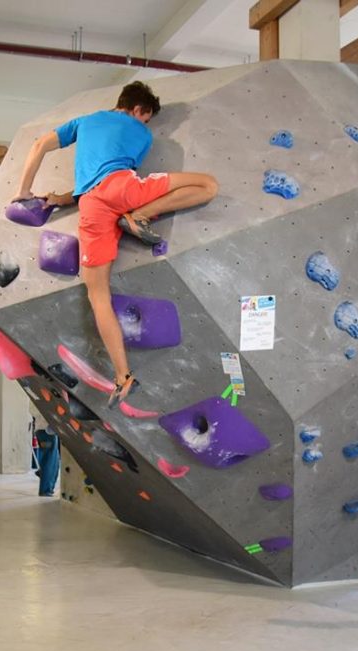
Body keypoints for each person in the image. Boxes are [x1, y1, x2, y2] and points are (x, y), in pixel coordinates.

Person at [13, 80, 219, 406]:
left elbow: (42, 146)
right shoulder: (142, 135)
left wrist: (27, 193)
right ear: (138, 109)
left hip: (91, 207)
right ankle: (141, 217)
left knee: (98, 296)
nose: (144, 124)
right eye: (145, 117)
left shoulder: (84, 122)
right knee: (207, 185)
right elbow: (114, 176)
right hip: (126, 191)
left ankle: (123, 376)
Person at [33, 414, 60, 497]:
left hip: (43, 430)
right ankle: (45, 490)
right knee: (49, 461)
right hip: (47, 431)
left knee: (54, 462)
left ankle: (48, 486)